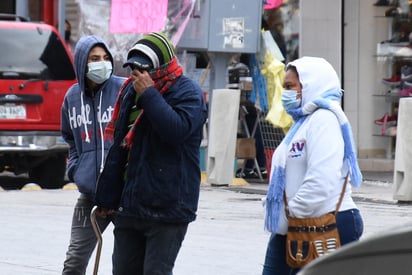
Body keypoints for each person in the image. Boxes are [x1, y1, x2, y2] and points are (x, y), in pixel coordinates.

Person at [94, 32, 207, 274]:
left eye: (143, 69)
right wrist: (107, 196)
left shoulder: (188, 93)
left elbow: (176, 131)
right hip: (130, 206)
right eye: (133, 68)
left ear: (161, 65)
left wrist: (149, 94)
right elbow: (120, 148)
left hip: (167, 210)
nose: (137, 75)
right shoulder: (129, 91)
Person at [262, 56, 364, 275]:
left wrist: (291, 211)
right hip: (295, 225)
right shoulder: (302, 122)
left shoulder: (324, 119)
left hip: (325, 224)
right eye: (284, 87)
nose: (286, 94)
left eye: (290, 87)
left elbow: (321, 179)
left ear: (310, 85)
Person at [61, 35, 127, 275]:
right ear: (82, 63)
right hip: (90, 197)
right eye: (94, 59)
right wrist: (77, 170)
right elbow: (69, 138)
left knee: (125, 265)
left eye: (105, 58)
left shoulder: (123, 89)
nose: (102, 63)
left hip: (124, 196)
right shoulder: (71, 98)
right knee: (74, 263)